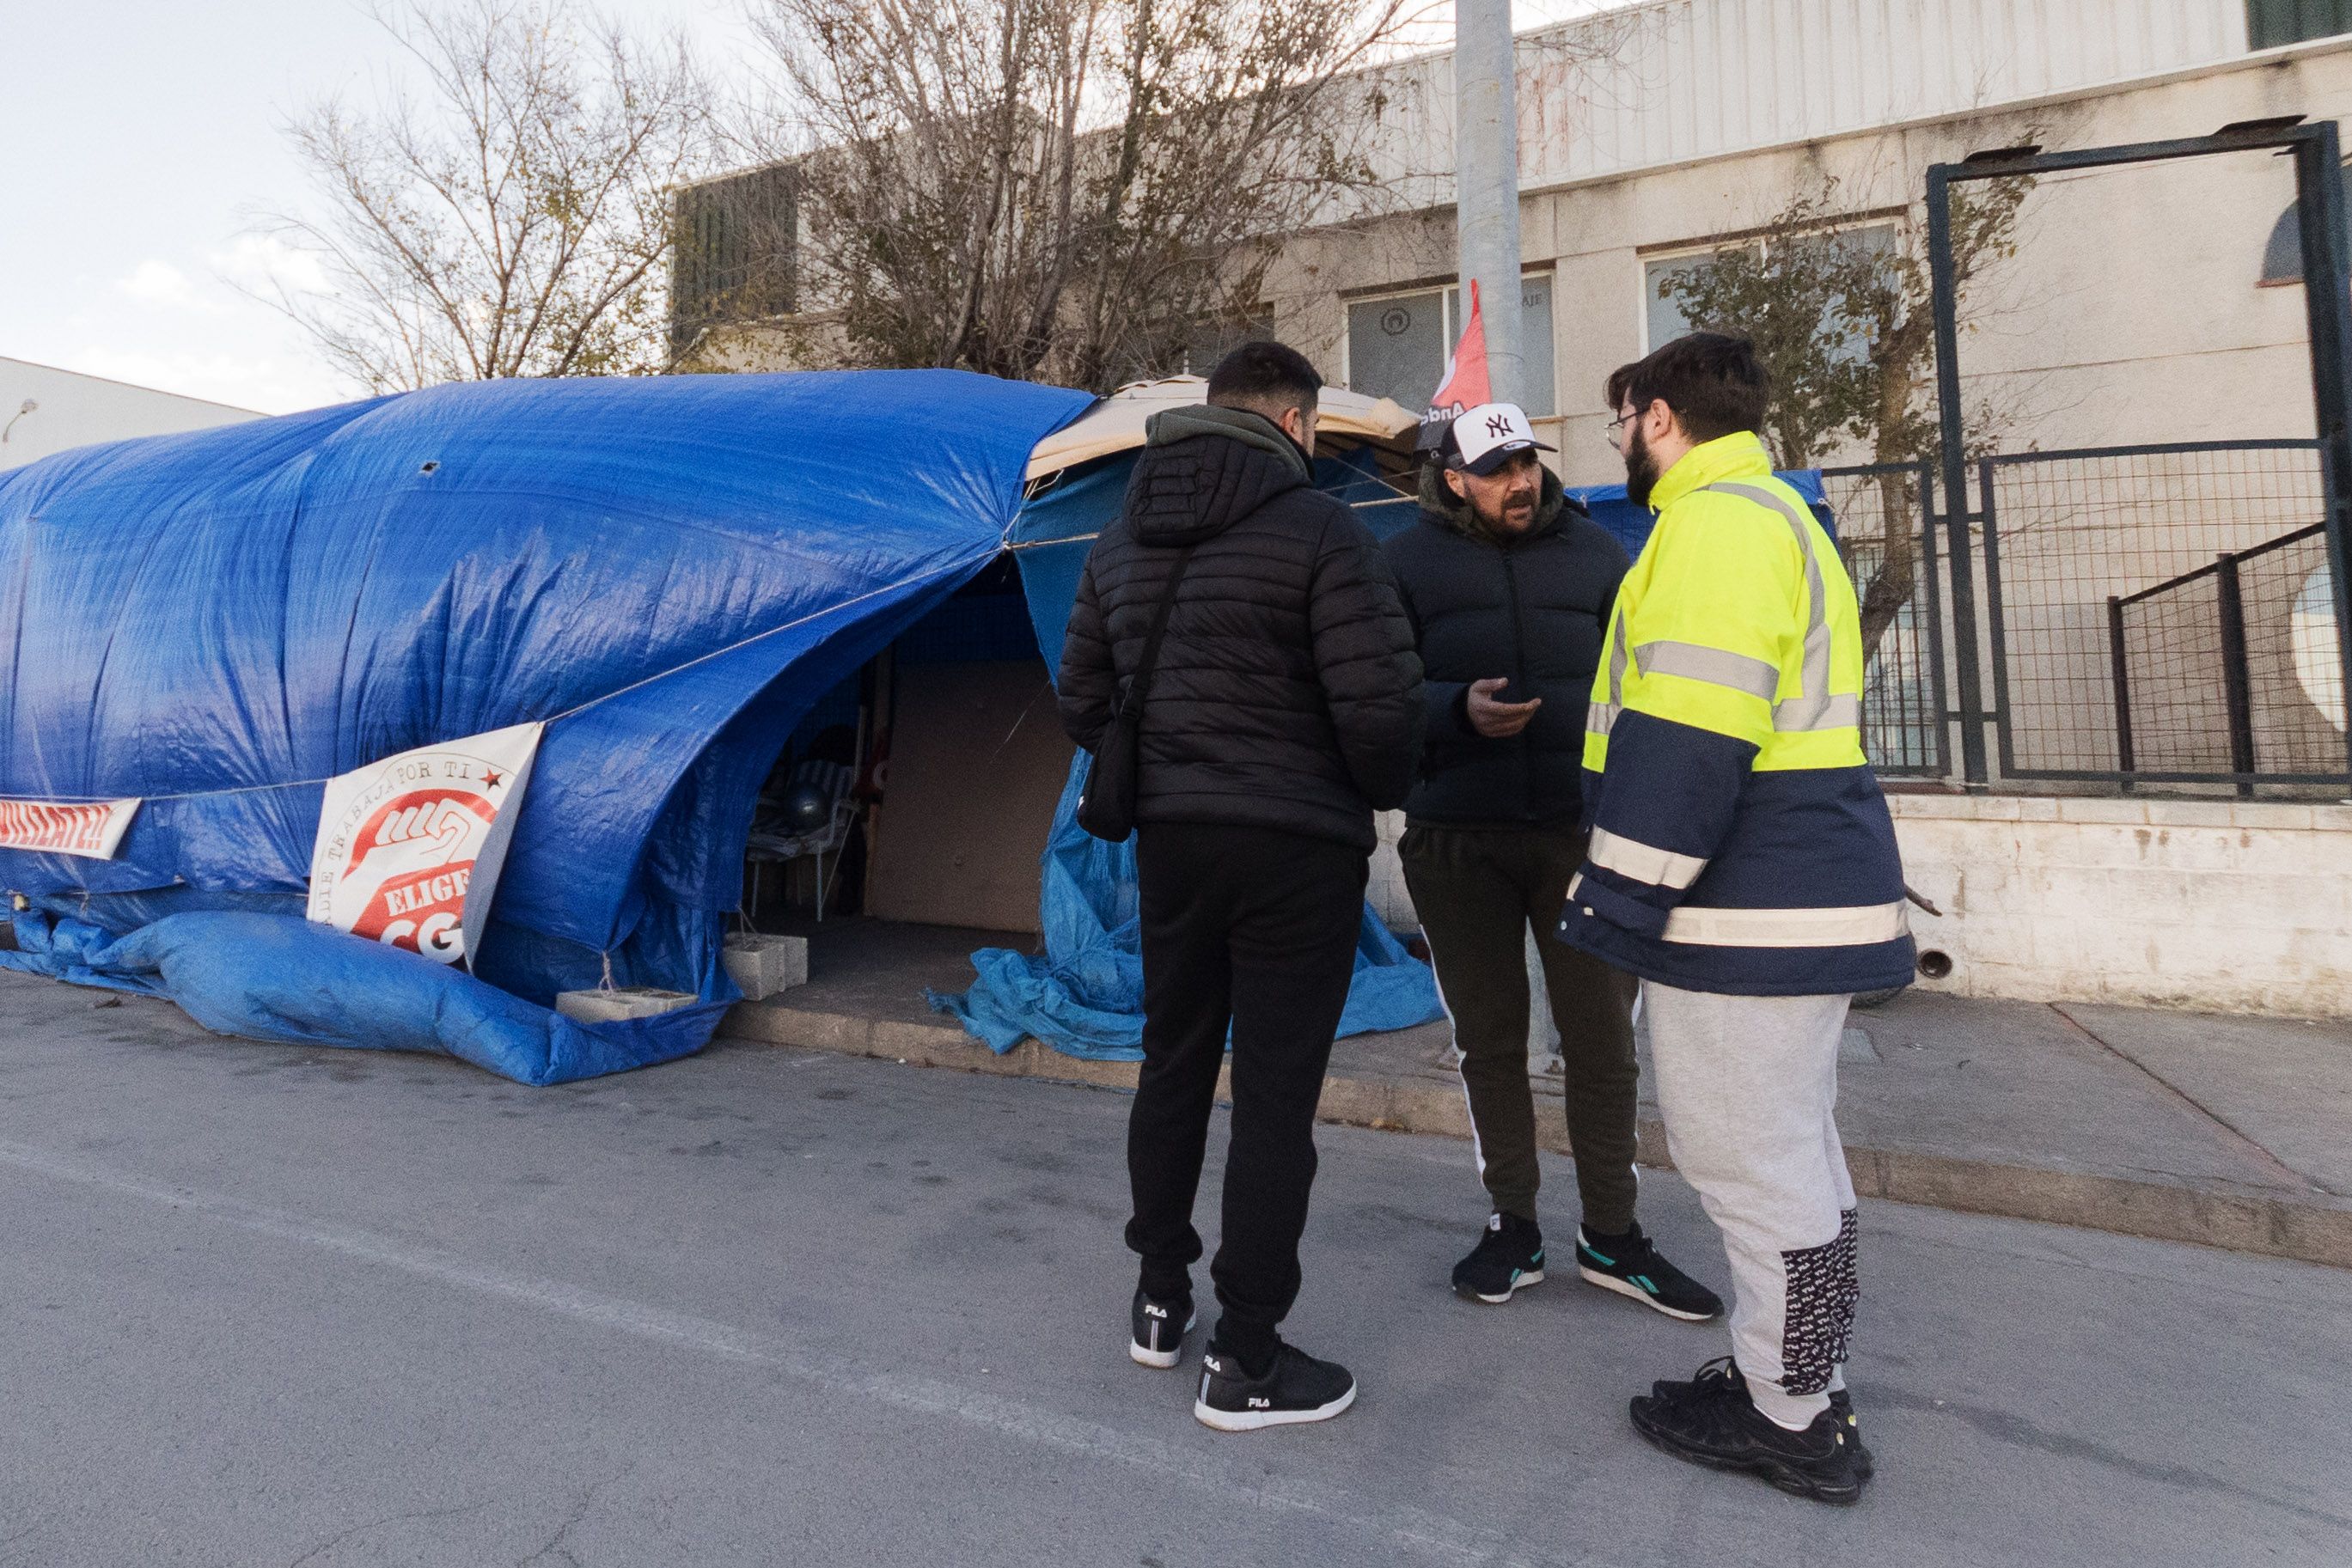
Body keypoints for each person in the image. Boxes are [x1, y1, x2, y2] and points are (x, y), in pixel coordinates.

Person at [1560, 332, 1913, 1504]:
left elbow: (1689, 737)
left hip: (1741, 912)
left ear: (1658, 417)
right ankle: (1799, 1380)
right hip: (1784, 896)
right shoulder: (1773, 516)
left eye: (1622, 422)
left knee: (1747, 1161)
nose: (1619, 446)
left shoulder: (1713, 527)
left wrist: (1616, 898)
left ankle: (1794, 1417)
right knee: (1794, 1159)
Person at [1057, 340, 1424, 1431]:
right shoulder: (1324, 531)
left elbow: (1082, 694)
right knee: (1272, 1100)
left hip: (1171, 842)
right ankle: (1248, 1356)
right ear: (1297, 425)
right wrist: (1367, 781)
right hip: (1295, 853)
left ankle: (1160, 1300)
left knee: (1171, 1064)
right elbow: (1379, 713)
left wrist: (1173, 758)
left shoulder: (1121, 534)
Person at [1382, 400, 1720, 1323]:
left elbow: (1648, 681)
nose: (1518, 482)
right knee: (1488, 1041)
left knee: (1603, 1043)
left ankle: (1612, 1232)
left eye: (1525, 462)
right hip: (1456, 835)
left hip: (1583, 833)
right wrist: (1453, 711)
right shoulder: (1402, 562)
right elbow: (1371, 687)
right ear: (1452, 478)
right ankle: (1513, 1224)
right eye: (1495, 470)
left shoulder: (1595, 553)